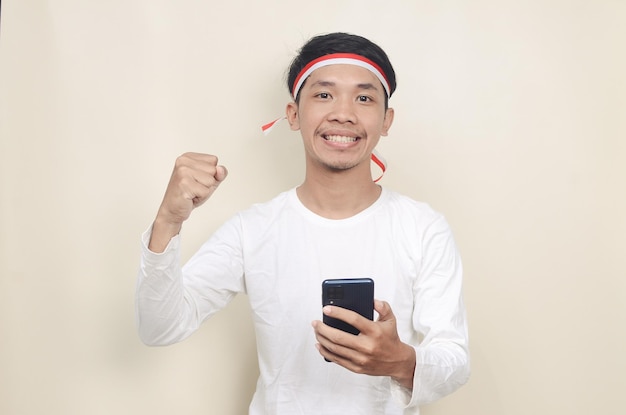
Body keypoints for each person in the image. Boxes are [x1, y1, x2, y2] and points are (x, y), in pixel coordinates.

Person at [136, 32, 470, 414]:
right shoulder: (252, 229)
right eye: (324, 94)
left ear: (386, 119)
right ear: (293, 114)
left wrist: (402, 362)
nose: (343, 113)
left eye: (364, 98)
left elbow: (454, 357)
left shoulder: (423, 228)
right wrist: (168, 221)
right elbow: (159, 327)